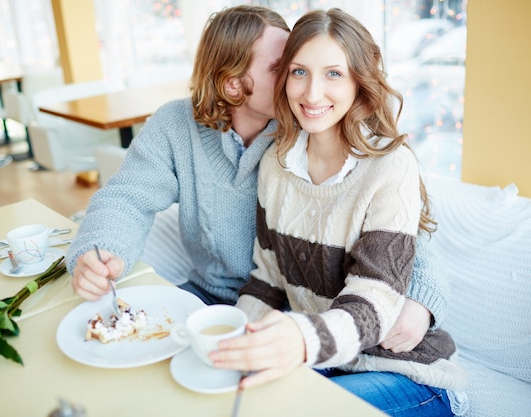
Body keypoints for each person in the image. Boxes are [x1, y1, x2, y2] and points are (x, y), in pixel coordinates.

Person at [66, 5, 445, 353]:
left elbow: (392, 223)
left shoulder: (307, 129)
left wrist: (422, 300)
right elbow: (126, 198)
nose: (304, 85)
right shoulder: (175, 126)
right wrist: (100, 252)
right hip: (211, 297)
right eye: (287, 69)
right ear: (233, 85)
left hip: (287, 311)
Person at [209, 9, 467, 417]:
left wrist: (302, 338)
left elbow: (375, 300)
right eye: (299, 72)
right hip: (327, 363)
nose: (312, 94)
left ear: (359, 83)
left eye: (333, 74)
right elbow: (268, 280)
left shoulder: (390, 167)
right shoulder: (276, 164)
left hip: (405, 373)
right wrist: (234, 345)